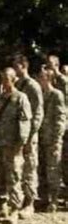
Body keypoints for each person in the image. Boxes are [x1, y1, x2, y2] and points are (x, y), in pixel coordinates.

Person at [0, 68, 32, 224]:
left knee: (14, 177)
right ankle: (3, 206)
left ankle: (15, 209)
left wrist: (20, 144)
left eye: (7, 78)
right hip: (0, 143)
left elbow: (25, 122)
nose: (4, 81)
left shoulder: (21, 97)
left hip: (12, 145)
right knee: (0, 176)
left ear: (14, 79)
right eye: (2, 78)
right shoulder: (1, 97)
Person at [12, 54, 44, 219]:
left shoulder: (32, 86)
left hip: (29, 136)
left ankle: (30, 203)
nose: (14, 68)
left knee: (30, 168)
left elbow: (38, 113)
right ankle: (17, 200)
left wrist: (29, 135)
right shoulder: (16, 84)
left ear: (24, 66)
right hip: (16, 135)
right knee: (18, 168)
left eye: (16, 65)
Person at [38, 68, 66, 212]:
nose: (39, 79)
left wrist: (57, 138)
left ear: (48, 78)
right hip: (41, 138)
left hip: (52, 139)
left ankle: (54, 199)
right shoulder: (40, 95)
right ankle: (44, 197)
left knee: (53, 169)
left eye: (42, 76)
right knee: (42, 169)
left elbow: (61, 118)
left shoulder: (57, 95)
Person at [45, 54, 68, 204]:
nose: (48, 66)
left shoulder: (63, 81)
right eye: (47, 64)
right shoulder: (50, 79)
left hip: (64, 126)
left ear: (57, 65)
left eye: (51, 64)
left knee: (63, 160)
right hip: (53, 125)